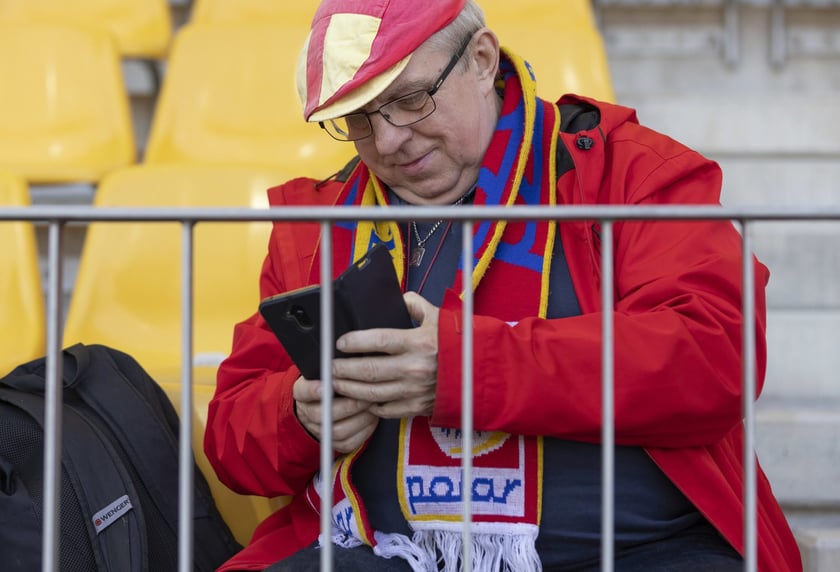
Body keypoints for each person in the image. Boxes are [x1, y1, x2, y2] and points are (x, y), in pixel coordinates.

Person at [204, 0, 802, 570]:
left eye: (409, 100)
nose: (386, 141)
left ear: (483, 59)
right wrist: (298, 417)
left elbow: (715, 359)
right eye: (357, 118)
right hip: (379, 551)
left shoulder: (630, 172)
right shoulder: (322, 218)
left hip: (643, 550)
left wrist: (467, 368)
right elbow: (231, 436)